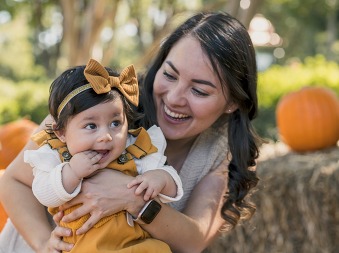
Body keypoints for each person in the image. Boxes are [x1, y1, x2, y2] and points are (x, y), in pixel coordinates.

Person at [0, 11, 261, 253]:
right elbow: (12, 181)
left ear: (232, 102)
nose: (174, 98)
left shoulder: (219, 153)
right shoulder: (97, 105)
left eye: (199, 91)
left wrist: (132, 198)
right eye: (170, 75)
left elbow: (194, 240)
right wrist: (44, 241)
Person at [23, 58, 183, 252]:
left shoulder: (134, 150)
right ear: (61, 132)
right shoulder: (54, 155)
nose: (106, 136)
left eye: (115, 123)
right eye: (91, 126)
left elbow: (173, 190)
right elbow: (43, 193)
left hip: (135, 247)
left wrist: (161, 178)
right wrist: (72, 172)